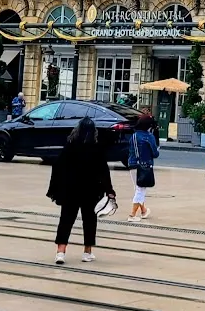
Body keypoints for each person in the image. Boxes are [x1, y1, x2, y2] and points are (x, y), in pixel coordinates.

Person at [47, 117, 115, 264]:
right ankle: (87, 252)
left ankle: (60, 252)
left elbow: (58, 166)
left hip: (71, 189)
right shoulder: (97, 148)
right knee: (89, 221)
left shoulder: (70, 145)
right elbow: (104, 171)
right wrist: (109, 190)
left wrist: (57, 187)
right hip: (91, 191)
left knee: (66, 220)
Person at [128, 109, 159, 221]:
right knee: (140, 190)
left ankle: (144, 211)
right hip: (144, 166)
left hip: (132, 164)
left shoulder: (134, 136)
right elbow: (155, 154)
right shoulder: (149, 137)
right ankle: (132, 215)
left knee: (138, 188)